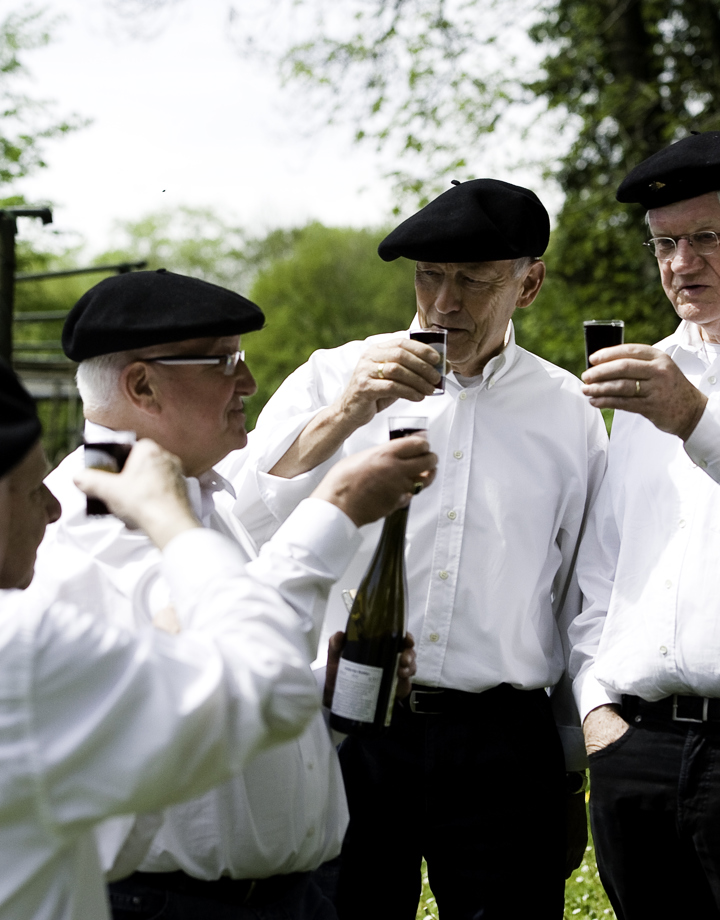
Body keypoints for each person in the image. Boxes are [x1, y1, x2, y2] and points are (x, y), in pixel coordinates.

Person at [233, 178, 608, 919]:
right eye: (430, 276)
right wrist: (347, 414)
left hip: (503, 740)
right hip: (351, 727)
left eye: (473, 280)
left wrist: (570, 761)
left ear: (529, 284)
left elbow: (575, 595)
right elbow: (243, 518)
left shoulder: (569, 410)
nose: (444, 302)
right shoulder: (334, 375)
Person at [36, 268, 435, 920]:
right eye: (224, 362)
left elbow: (209, 695)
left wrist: (322, 691)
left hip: (281, 894)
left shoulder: (202, 493)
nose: (247, 382)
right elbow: (220, 668)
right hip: (175, 903)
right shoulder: (94, 515)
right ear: (142, 385)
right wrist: (335, 509)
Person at [0, 360, 323, 920]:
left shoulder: (209, 492)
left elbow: (112, 829)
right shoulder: (21, 642)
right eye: (33, 490)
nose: (51, 508)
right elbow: (271, 688)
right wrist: (176, 525)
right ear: (142, 385)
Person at [570, 131, 720, 919]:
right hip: (639, 754)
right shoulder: (642, 377)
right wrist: (596, 707)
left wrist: (695, 419)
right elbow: (602, 572)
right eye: (665, 243)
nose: (681, 264)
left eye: (706, 238)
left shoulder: (668, 393)